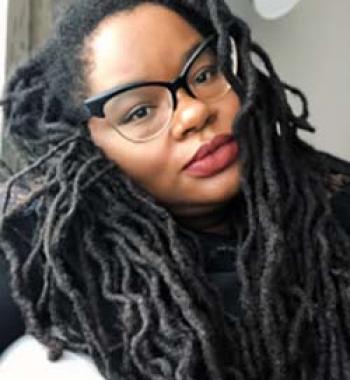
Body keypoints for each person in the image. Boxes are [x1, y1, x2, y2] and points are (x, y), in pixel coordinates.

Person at [0, 0, 349, 378]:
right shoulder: (43, 258)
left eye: (203, 74)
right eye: (140, 112)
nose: (194, 113)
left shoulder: (332, 208)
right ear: (85, 144)